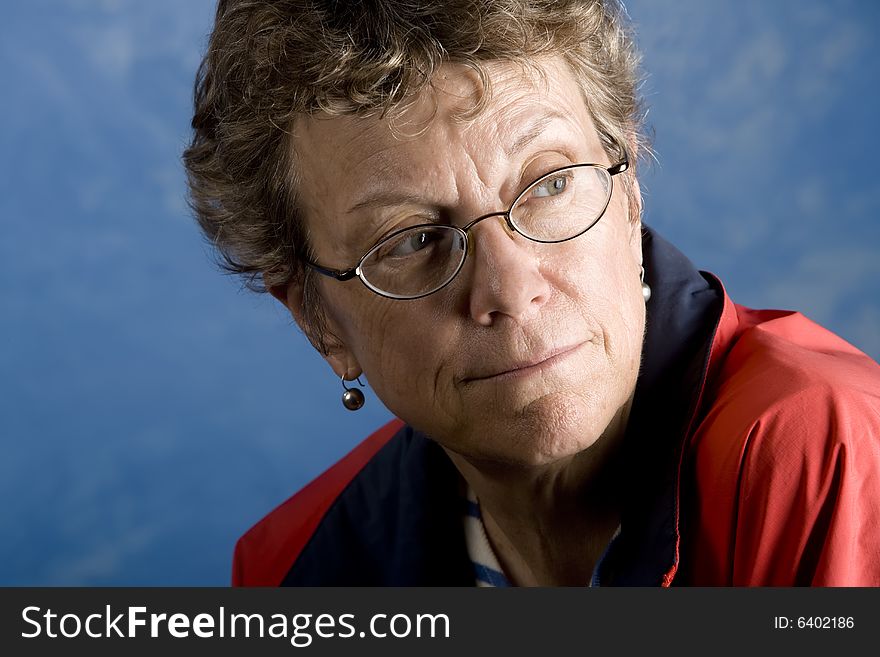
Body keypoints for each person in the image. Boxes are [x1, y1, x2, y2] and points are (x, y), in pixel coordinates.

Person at [183, 0, 880, 586]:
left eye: (548, 184)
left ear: (629, 187)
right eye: (411, 240)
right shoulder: (294, 569)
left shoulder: (828, 456)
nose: (510, 292)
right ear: (318, 320)